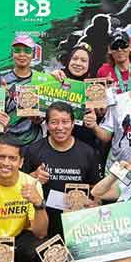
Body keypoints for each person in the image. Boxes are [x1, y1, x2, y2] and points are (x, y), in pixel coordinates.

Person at [23, 102, 101, 238]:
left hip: (77, 225)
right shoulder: (33, 150)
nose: (60, 127)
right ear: (47, 124)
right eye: (54, 122)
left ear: (73, 124)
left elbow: (96, 189)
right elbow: (20, 186)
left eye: (65, 122)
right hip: (44, 222)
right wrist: (34, 177)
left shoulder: (88, 152)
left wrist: (95, 204)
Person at [0, 34, 44, 148]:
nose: (22, 54)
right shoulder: (0, 78)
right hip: (7, 142)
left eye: (27, 50)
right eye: (17, 50)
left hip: (34, 142)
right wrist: (1, 96)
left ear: (33, 54)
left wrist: (39, 119)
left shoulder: (41, 80)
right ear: (12, 53)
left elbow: (48, 114)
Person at [96, 29, 131, 93]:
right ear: (109, 50)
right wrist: (105, 89)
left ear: (130, 47)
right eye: (115, 46)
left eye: (123, 45)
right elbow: (97, 100)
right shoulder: (103, 71)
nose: (119, 49)